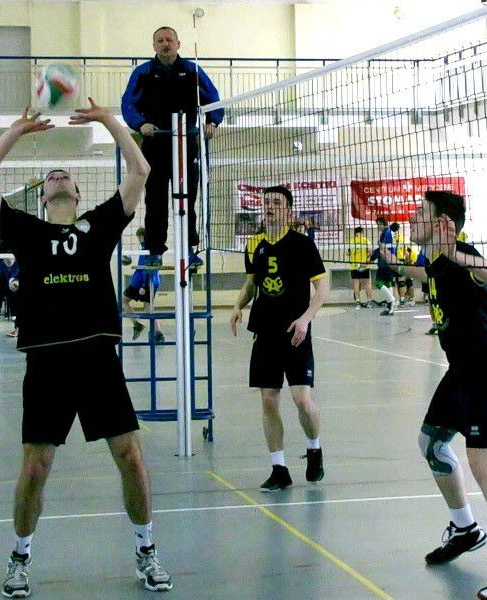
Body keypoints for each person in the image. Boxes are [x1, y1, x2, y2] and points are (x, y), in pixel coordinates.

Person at [0, 101, 173, 597]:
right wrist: (16, 130)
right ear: (44, 197)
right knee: (35, 468)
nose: (59, 177)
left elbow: (141, 171)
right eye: (51, 177)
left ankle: (146, 550)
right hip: (47, 363)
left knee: (131, 457)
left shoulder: (99, 226)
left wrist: (108, 120)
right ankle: (20, 558)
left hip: (97, 360)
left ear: (78, 193)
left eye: (66, 175)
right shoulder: (26, 231)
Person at [382, 190, 487, 600]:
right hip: (462, 371)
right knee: (431, 443)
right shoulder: (435, 262)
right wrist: (392, 261)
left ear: (442, 223)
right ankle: (465, 528)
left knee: (482, 463)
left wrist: (456, 252)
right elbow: (426, 274)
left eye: (420, 213)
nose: (412, 218)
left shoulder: (462, 256)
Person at [229, 185, 330, 491]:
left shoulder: (302, 244)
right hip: (264, 332)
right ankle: (279, 469)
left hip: (295, 332)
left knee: (302, 400)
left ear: (288, 211)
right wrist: (237, 306)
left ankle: (314, 447)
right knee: (269, 400)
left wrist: (306, 318)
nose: (269, 206)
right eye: (266, 202)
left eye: (276, 202)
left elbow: (323, 287)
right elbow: (251, 285)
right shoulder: (254, 245)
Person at [122, 26, 224, 263]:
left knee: (188, 198)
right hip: (155, 144)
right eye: (160, 40)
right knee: (155, 200)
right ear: (154, 46)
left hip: (186, 144)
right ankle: (154, 251)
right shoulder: (143, 73)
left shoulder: (192, 70)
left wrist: (212, 121)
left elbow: (213, 99)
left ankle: (189, 249)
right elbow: (128, 104)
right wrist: (140, 124)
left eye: (169, 39)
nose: (165, 44)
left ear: (178, 44)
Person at [124, 227, 165, 343]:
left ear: (141, 236)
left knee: (123, 301)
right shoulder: (153, 247)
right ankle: (159, 332)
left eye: (138, 238)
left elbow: (146, 268)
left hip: (141, 282)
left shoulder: (146, 249)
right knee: (148, 308)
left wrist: (142, 286)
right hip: (153, 280)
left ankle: (137, 325)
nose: (138, 240)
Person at [373, 217, 399, 315]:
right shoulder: (389, 232)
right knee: (388, 283)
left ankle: (392, 301)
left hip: (385, 262)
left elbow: (383, 248)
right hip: (391, 261)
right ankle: (390, 307)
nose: (378, 226)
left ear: (382, 223)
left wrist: (374, 254)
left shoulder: (386, 232)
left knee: (378, 283)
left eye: (378, 224)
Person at [348, 226, 372, 308]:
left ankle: (358, 302)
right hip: (363, 265)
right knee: (367, 283)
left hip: (354, 265)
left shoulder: (351, 241)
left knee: (356, 283)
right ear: (362, 232)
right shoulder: (365, 240)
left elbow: (348, 253)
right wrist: (366, 255)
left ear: (355, 233)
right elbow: (370, 252)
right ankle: (369, 302)